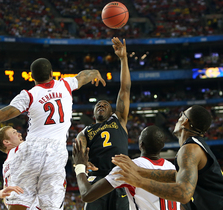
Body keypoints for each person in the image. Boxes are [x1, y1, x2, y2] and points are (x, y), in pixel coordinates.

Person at [0, 56, 106, 210]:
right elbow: (85, 75)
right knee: (51, 207)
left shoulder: (29, 95)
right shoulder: (66, 84)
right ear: (52, 73)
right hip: (56, 151)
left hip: (31, 149)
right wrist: (95, 72)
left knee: (19, 203)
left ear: (32, 78)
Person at [112, 105, 223, 210]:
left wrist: (139, 181)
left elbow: (183, 194)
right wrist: (138, 170)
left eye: (182, 115)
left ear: (185, 121)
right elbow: (177, 175)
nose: (178, 118)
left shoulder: (190, 149)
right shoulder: (196, 146)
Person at [76, 37, 131, 210]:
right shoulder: (85, 131)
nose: (101, 104)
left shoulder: (119, 119)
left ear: (112, 111)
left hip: (119, 177)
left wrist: (123, 59)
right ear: (93, 113)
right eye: (98, 104)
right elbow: (78, 152)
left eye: (106, 104)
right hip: (97, 180)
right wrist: (82, 164)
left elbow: (125, 88)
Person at [73, 125, 181, 210]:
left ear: (141, 144)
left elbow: (87, 194)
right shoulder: (173, 169)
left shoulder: (130, 166)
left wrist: (79, 165)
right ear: (162, 146)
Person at [0, 125, 42, 210]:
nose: (19, 134)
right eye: (14, 133)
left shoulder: (6, 164)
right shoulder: (19, 151)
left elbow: (6, 196)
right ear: (7, 142)